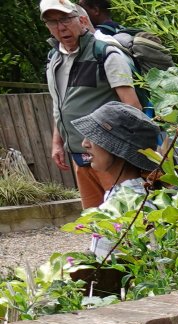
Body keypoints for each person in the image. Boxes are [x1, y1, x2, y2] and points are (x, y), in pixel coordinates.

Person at [40, 0, 142, 210]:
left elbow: (133, 108)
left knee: (127, 221)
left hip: (112, 159)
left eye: (66, 19)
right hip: (80, 156)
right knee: (95, 223)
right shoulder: (54, 59)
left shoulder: (106, 54)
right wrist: (57, 143)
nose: (61, 27)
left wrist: (128, 154)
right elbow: (59, 104)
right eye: (52, 22)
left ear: (82, 19)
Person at [72, 100, 160, 261]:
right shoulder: (147, 193)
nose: (85, 143)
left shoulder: (120, 206)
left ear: (118, 148)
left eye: (94, 137)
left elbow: (101, 267)